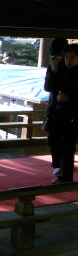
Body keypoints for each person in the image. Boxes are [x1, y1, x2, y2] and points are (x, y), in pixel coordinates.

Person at [50, 44, 78, 184]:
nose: (68, 60)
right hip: (63, 115)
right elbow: (50, 88)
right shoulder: (63, 72)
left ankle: (65, 177)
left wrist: (70, 97)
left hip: (74, 114)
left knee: (67, 146)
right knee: (65, 146)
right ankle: (64, 177)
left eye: (72, 57)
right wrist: (54, 69)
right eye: (66, 57)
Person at [43, 37, 69, 179]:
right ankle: (58, 164)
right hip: (54, 106)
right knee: (53, 138)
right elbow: (47, 87)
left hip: (69, 107)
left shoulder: (71, 67)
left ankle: (63, 166)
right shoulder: (52, 65)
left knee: (65, 138)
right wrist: (53, 69)